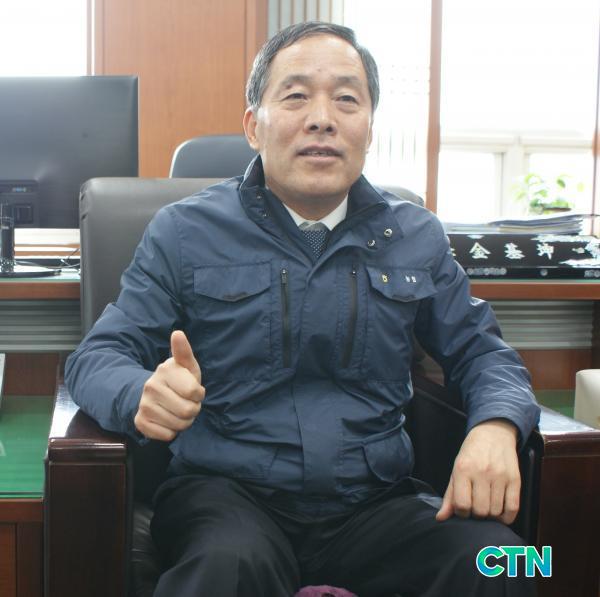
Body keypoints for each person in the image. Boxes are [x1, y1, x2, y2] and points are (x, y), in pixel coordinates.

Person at [65, 21, 540, 597]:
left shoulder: (415, 235)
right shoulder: (184, 231)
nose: (322, 119)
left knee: (516, 564)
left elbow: (484, 353)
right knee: (222, 569)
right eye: (295, 96)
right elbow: (97, 357)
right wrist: (140, 392)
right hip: (228, 498)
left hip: (376, 504)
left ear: (369, 129)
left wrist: (495, 426)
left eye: (347, 99)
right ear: (253, 125)